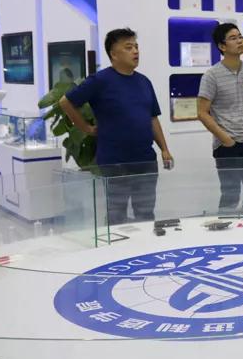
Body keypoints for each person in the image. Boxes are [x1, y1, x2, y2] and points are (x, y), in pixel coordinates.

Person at [61, 28, 173, 224]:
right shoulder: (100, 80)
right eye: (128, 47)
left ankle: (145, 241)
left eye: (136, 47)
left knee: (146, 212)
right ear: (114, 54)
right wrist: (86, 128)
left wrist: (164, 149)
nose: (135, 51)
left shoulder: (144, 82)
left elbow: (152, 118)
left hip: (145, 159)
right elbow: (65, 102)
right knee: (116, 214)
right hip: (115, 161)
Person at [197, 23, 243, 212]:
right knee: (230, 194)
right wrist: (226, 139)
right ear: (222, 46)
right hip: (227, 146)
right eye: (233, 38)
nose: (240, 41)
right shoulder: (211, 75)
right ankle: (226, 227)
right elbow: (202, 112)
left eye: (240, 37)